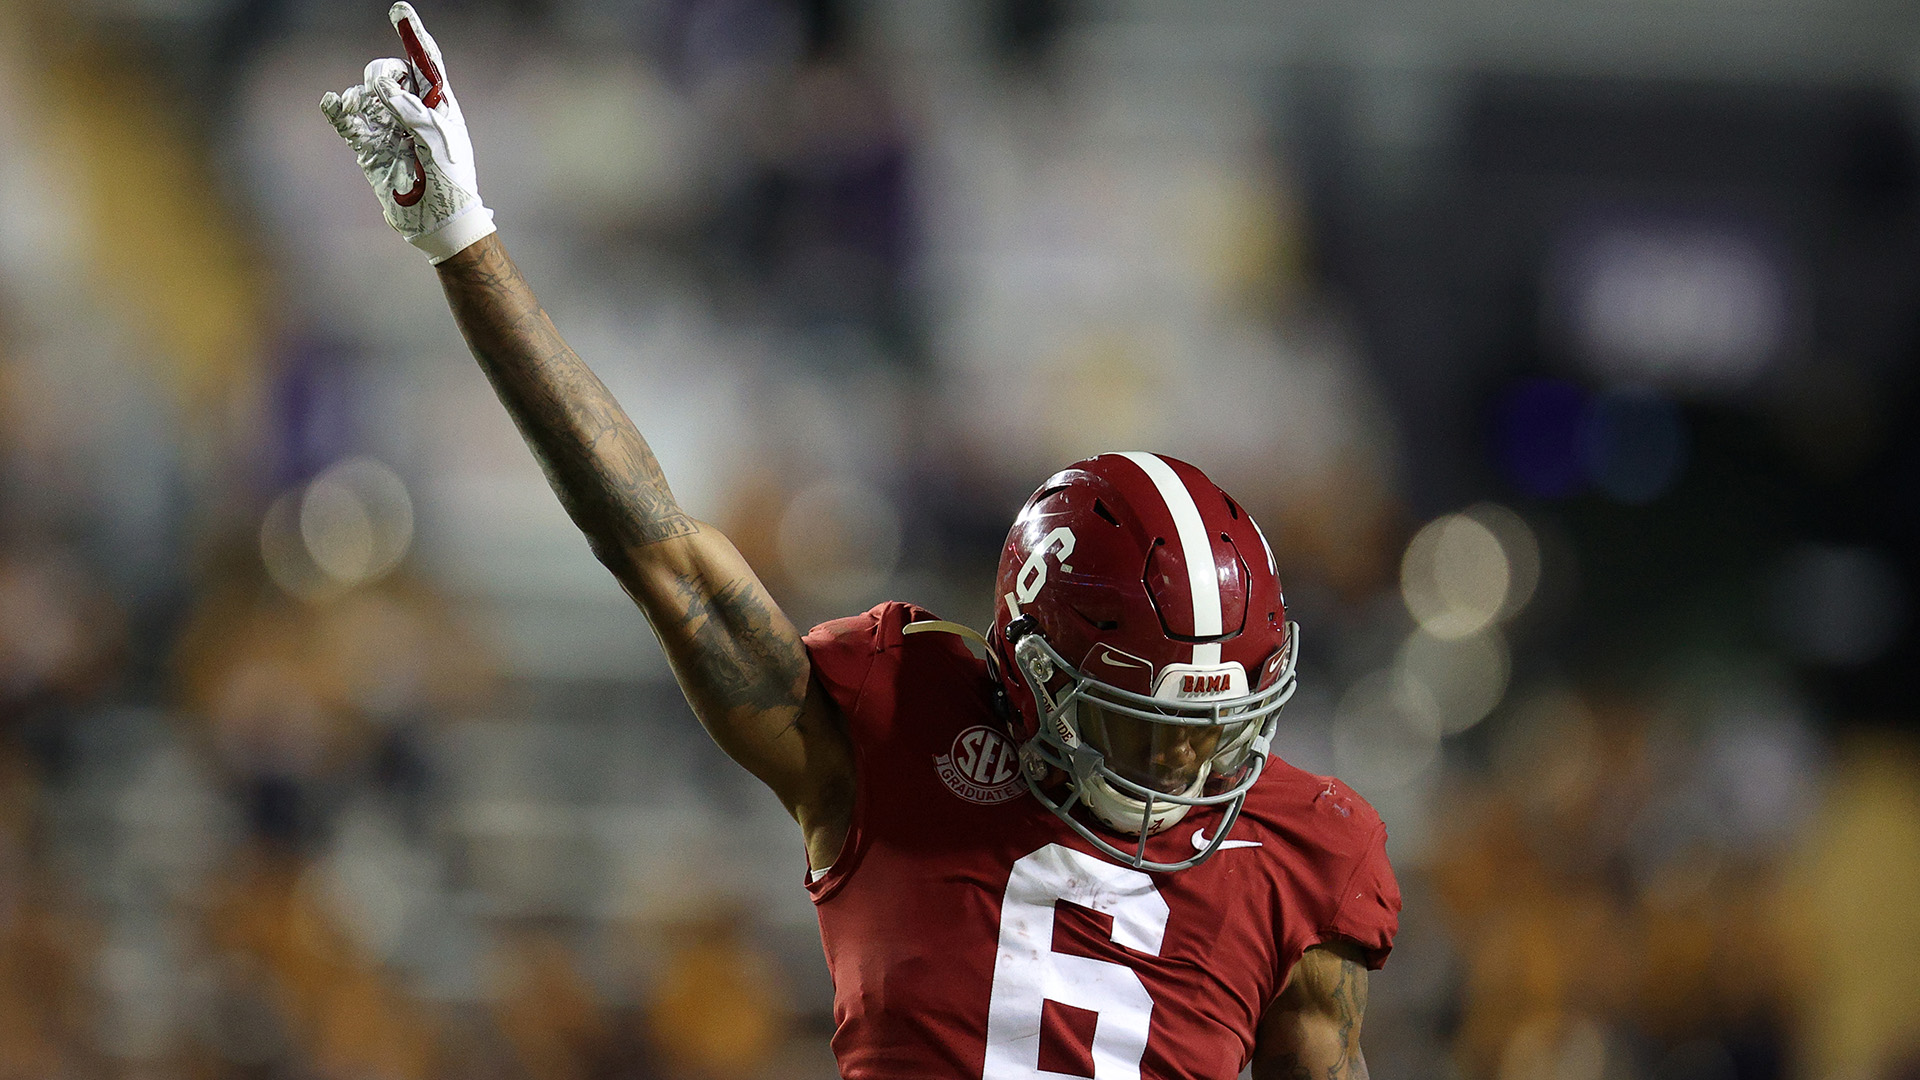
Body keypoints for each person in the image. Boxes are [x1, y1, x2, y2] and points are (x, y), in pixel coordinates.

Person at [321, 8, 1400, 1077]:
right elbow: (657, 549)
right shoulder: (892, 736)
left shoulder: (1304, 850)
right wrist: (462, 241)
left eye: (1213, 723)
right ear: (1027, 676)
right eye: (1143, 724)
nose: (1188, 764)